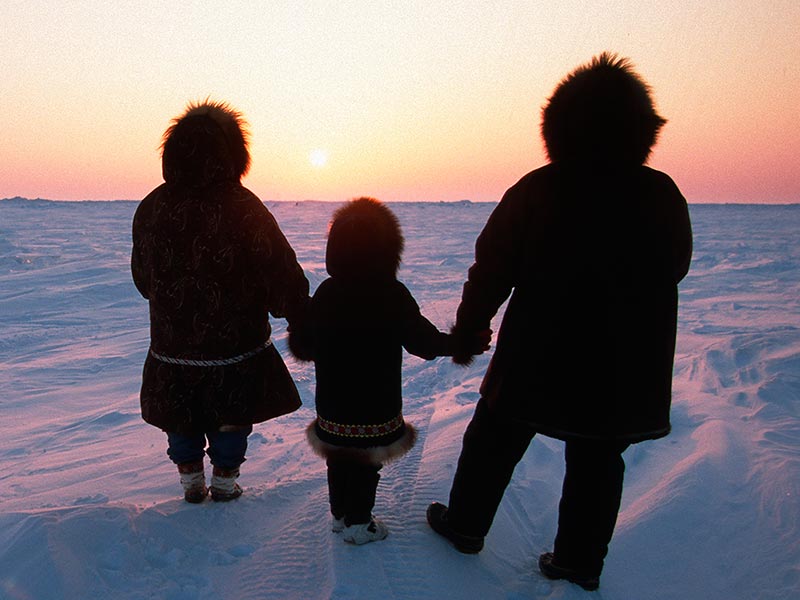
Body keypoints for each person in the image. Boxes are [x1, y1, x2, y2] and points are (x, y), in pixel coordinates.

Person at [426, 53, 693, 590]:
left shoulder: (540, 187)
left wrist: (472, 328)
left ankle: (465, 525)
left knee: (495, 435)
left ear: (561, 126)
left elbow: (493, 265)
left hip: (537, 351)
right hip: (622, 358)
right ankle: (578, 561)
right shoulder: (660, 192)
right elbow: (676, 267)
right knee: (598, 456)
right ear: (638, 130)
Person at [131, 100, 309, 503]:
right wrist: (298, 310)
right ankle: (225, 481)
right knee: (232, 416)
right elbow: (279, 271)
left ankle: (190, 478)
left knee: (181, 414)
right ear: (233, 153)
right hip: (237, 345)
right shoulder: (244, 206)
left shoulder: (152, 207)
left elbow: (143, 279)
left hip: (173, 345)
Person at [289, 197, 488, 544]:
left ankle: (340, 516)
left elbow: (305, 344)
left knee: (337, 459)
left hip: (333, 404)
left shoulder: (327, 292)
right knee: (367, 463)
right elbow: (423, 342)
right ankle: (359, 523)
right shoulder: (392, 293)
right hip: (375, 405)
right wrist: (461, 344)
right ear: (387, 251)